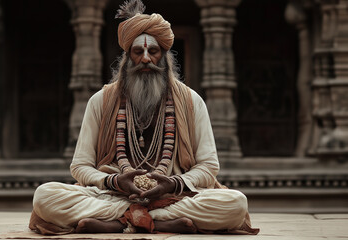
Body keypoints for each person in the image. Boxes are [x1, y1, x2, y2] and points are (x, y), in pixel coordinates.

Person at [29, 0, 258, 235]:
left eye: (153, 51)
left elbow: (209, 166)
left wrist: (172, 183)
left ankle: (122, 222)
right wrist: (115, 181)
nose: (146, 59)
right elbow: (79, 166)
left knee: (235, 203)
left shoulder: (191, 101)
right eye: (138, 52)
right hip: (112, 194)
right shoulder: (101, 100)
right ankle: (155, 222)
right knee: (45, 197)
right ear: (128, 57)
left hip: (174, 194)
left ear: (164, 56)